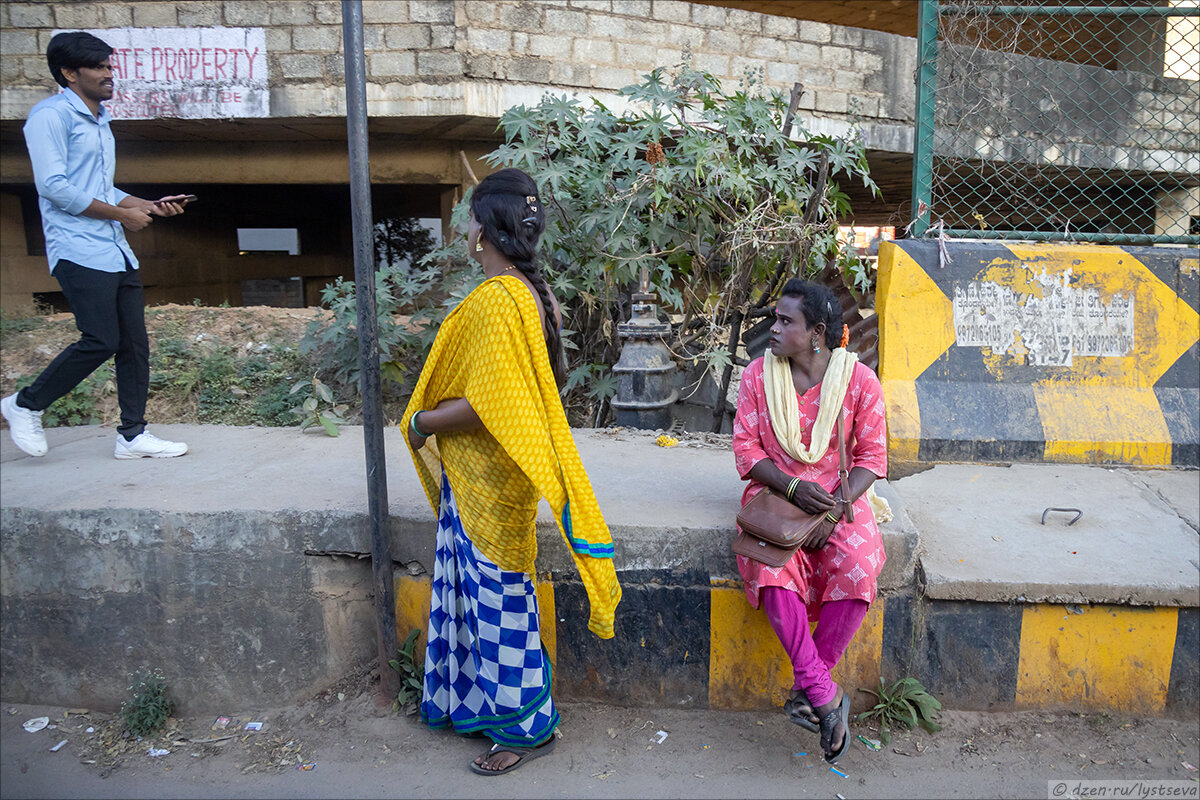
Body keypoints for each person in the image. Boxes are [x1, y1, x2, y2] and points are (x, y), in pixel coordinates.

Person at [402, 168, 621, 776]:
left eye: (470, 220)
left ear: (485, 233)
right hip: (503, 474)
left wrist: (422, 423)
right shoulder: (531, 293)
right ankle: (491, 709)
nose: (466, 230)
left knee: (497, 600)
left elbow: (485, 405)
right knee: (496, 595)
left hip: (488, 475)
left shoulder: (499, 302)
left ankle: (525, 729)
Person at [1, 31, 192, 460]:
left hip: (114, 248)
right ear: (69, 73)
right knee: (101, 339)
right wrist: (122, 215)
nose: (110, 74)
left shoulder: (99, 118)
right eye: (99, 67)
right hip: (77, 248)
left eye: (110, 65)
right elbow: (53, 187)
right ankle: (24, 404)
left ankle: (132, 435)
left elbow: (98, 185)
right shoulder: (50, 117)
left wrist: (145, 205)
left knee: (133, 345)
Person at [732, 279, 893, 764]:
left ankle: (810, 689)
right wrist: (795, 489)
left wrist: (835, 507)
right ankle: (824, 696)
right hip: (777, 494)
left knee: (861, 566)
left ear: (817, 332)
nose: (773, 329)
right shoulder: (759, 376)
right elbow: (746, 449)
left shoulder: (859, 381)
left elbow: (872, 456)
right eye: (774, 319)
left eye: (786, 321)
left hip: (838, 498)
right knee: (769, 567)